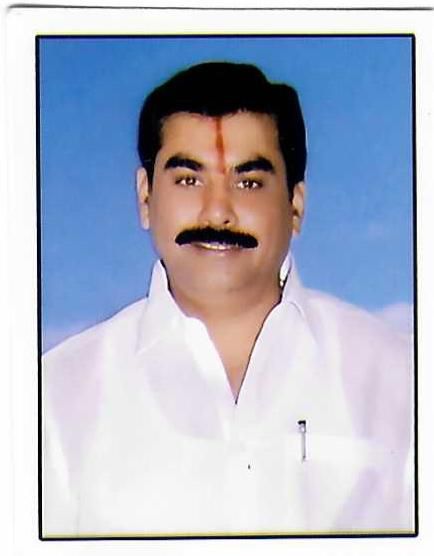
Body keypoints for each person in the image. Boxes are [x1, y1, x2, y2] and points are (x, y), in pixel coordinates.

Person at [42, 62, 414, 537]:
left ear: (296, 204)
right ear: (145, 197)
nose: (218, 212)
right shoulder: (53, 400)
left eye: (249, 182)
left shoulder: (401, 379)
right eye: (188, 180)